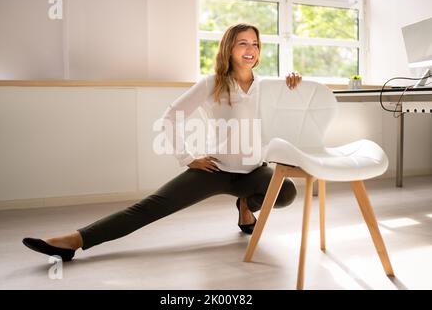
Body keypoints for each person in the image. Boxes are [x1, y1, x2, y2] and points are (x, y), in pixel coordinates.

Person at [22, 23, 302, 262]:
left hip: (254, 171)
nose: (250, 49)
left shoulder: (268, 86)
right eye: (242, 43)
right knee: (149, 207)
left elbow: (292, 113)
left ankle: (245, 205)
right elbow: (171, 116)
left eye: (254, 43)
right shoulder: (212, 83)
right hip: (216, 170)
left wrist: (294, 83)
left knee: (287, 192)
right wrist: (188, 157)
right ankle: (75, 240)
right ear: (229, 48)